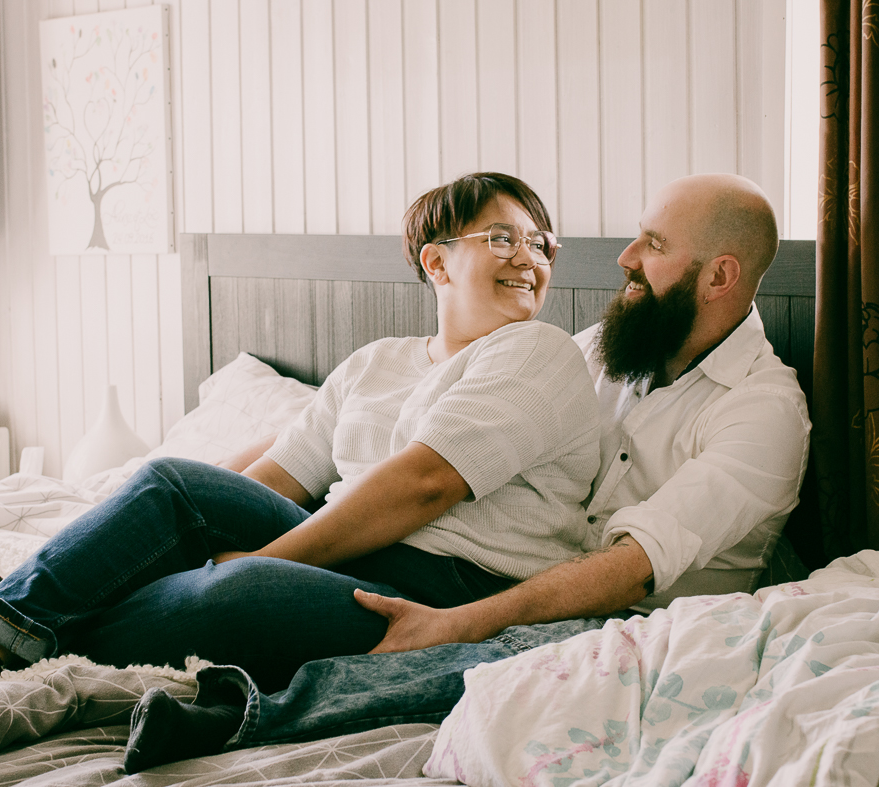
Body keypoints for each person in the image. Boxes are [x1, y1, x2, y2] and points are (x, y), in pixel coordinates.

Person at [115, 172, 812, 771]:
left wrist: (456, 622)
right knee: (184, 497)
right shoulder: (602, 349)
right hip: (518, 575)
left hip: (628, 617)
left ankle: (241, 716)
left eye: (653, 245)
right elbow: (373, 418)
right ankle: (68, 617)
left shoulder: (764, 411)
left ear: (718, 275)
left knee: (512, 660)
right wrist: (238, 473)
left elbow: (631, 570)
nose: (625, 257)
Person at [0, 172, 603, 714]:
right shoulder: (375, 363)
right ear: (436, 261)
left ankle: (19, 615)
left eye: (542, 244)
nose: (529, 258)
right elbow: (275, 479)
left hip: (446, 587)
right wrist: (214, 541)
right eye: (502, 237)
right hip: (344, 550)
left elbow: (424, 483)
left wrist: (264, 558)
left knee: (229, 589)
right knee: (175, 484)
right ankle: (9, 619)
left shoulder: (538, 351)